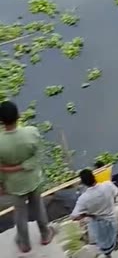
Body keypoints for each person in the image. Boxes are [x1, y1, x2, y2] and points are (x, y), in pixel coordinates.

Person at [0, 101, 54, 253]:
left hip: (14, 185)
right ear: (18, 115)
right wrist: (23, 166)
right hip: (33, 180)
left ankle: (24, 244)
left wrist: (5, 177)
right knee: (38, 207)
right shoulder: (31, 132)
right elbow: (37, 157)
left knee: (20, 213)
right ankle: (45, 234)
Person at [71, 169, 118, 258]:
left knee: (104, 244)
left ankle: (108, 255)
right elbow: (116, 193)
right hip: (112, 219)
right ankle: (115, 247)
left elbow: (74, 216)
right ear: (94, 177)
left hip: (99, 225)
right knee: (113, 238)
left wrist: (87, 214)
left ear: (83, 183)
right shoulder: (108, 185)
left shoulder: (84, 198)